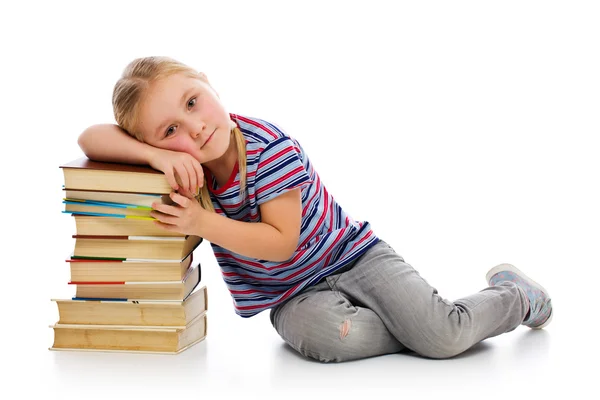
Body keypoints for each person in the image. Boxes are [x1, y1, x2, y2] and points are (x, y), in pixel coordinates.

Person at [77, 56, 553, 363]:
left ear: (207, 81)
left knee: (444, 337)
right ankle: (414, 323)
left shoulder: (268, 148)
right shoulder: (183, 165)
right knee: (323, 339)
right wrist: (158, 157)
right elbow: (90, 138)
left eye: (193, 102)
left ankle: (514, 297)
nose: (195, 129)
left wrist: (202, 222)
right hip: (294, 297)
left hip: (353, 257)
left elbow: (280, 243)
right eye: (170, 130)